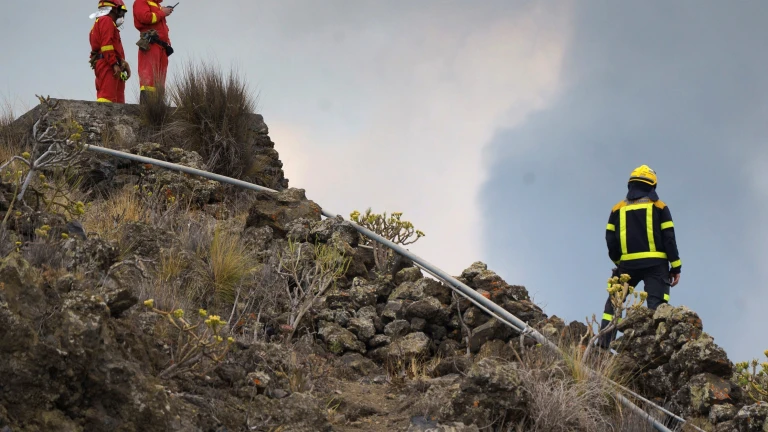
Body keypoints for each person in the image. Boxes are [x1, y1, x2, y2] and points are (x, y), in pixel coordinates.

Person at [598, 165, 682, 349]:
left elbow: (610, 240)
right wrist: (676, 267)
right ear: (652, 186)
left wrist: (620, 262)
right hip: (656, 265)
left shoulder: (617, 209)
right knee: (657, 308)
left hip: (627, 266)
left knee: (613, 305)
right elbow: (669, 239)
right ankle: (652, 351)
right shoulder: (660, 207)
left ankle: (602, 348)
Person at [89, 0, 131, 103]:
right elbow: (106, 46)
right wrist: (114, 64)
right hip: (107, 65)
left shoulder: (104, 22)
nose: (121, 15)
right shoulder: (106, 20)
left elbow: (112, 48)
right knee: (107, 99)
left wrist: (121, 62)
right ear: (113, 9)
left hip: (110, 63)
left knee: (117, 101)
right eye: (120, 11)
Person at [133, 0, 175, 104]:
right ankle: (147, 107)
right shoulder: (141, 1)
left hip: (161, 47)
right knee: (149, 77)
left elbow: (162, 29)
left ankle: (158, 106)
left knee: (160, 80)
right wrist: (162, 12)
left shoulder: (157, 5)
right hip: (151, 45)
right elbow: (145, 18)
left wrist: (167, 43)